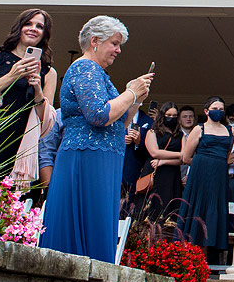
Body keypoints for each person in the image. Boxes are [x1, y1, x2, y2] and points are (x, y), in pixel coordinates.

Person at [40, 16, 154, 263]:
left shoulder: (99, 74)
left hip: (103, 157)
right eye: (114, 43)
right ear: (94, 41)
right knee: (87, 219)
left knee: (99, 219)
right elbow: (99, 115)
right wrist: (130, 91)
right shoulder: (85, 68)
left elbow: (119, 123)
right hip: (86, 156)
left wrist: (135, 101)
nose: (118, 50)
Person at [0, 9, 59, 186]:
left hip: (19, 146)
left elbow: (46, 122)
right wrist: (11, 76)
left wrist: (37, 90)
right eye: (28, 24)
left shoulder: (48, 72)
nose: (33, 29)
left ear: (44, 34)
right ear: (19, 27)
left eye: (39, 26)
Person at [177, 96, 232, 262]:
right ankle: (191, 256)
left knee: (215, 210)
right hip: (200, 176)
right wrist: (204, 162)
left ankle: (210, 255)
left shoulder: (230, 131)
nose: (218, 112)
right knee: (197, 208)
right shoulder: (199, 129)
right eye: (215, 109)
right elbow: (186, 157)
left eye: (221, 109)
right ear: (206, 111)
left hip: (219, 177)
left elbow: (227, 154)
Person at [141, 101, 186, 225]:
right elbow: (154, 153)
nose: (171, 118)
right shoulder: (153, 132)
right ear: (162, 115)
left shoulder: (180, 134)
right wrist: (178, 154)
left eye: (174, 116)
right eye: (168, 115)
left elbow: (184, 159)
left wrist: (164, 161)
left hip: (171, 176)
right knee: (151, 207)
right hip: (154, 173)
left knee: (170, 209)